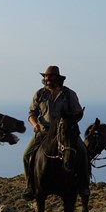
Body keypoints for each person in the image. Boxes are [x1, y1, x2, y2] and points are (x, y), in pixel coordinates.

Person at [22, 65, 90, 200]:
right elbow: (31, 113)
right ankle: (30, 187)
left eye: (50, 76)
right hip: (44, 130)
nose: (47, 79)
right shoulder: (40, 94)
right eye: (46, 77)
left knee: (82, 151)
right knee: (26, 155)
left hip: (64, 131)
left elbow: (78, 113)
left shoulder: (69, 94)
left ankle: (84, 185)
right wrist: (34, 124)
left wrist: (70, 122)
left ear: (57, 78)